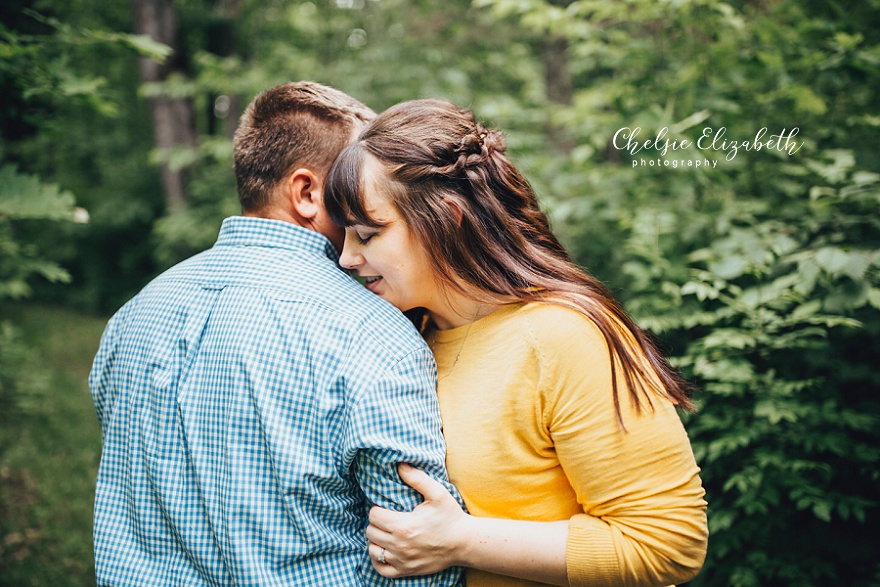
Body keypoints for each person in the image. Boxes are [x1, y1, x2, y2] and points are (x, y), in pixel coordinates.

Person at [88, 83, 464, 587]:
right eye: (349, 186)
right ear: (307, 193)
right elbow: (419, 559)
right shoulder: (372, 334)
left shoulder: (134, 315)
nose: (363, 200)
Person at [323, 98, 709, 587]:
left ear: (447, 218)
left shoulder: (564, 336)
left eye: (367, 233)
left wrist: (462, 541)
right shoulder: (409, 337)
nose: (347, 259)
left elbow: (669, 544)